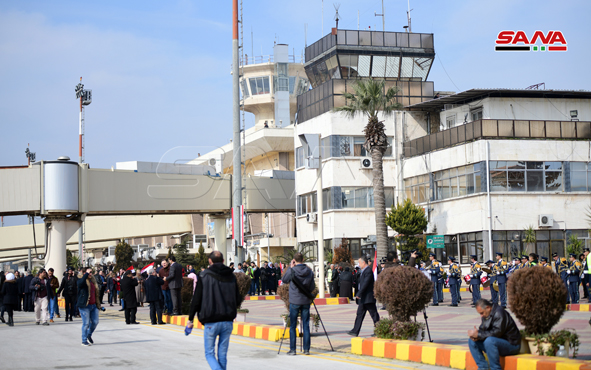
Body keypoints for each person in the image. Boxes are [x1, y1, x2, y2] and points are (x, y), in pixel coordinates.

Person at [188, 251, 243, 370]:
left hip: (210, 320)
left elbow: (196, 299)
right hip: (228, 320)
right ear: (223, 261)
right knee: (222, 355)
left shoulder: (204, 276)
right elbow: (238, 299)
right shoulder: (231, 276)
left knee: (209, 354)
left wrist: (190, 319)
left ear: (210, 261)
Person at [468, 299, 521, 370]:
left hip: (511, 345)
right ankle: (483, 367)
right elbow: (483, 330)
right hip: (496, 343)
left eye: (482, 313)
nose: (481, 315)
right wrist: (476, 335)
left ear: (488, 308)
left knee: (489, 341)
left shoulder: (499, 313)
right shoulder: (486, 315)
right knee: (471, 341)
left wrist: (479, 335)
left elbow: (497, 333)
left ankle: (495, 368)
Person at [281, 252, 315, 355]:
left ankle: (293, 349)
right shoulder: (309, 271)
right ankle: (306, 349)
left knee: (292, 326)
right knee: (306, 325)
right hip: (305, 301)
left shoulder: (293, 270)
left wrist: (290, 267)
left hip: (294, 301)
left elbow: (284, 280)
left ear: (294, 260)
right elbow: (312, 287)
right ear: (303, 259)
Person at [348, 255, 380, 337]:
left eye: (359, 262)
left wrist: (359, 293)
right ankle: (355, 331)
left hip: (368, 298)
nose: (358, 264)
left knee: (374, 315)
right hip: (364, 298)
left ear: (363, 262)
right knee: (359, 314)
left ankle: (379, 330)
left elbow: (365, 284)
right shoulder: (363, 271)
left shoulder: (368, 271)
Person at [77, 268, 101, 346]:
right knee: (86, 323)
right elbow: (80, 284)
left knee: (95, 321)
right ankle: (84, 341)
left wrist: (98, 304)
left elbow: (96, 293)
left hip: (93, 305)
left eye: (91, 272)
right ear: (84, 273)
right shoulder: (82, 280)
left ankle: (88, 334)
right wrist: (86, 274)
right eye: (89, 272)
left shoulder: (93, 281)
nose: (91, 274)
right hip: (85, 305)